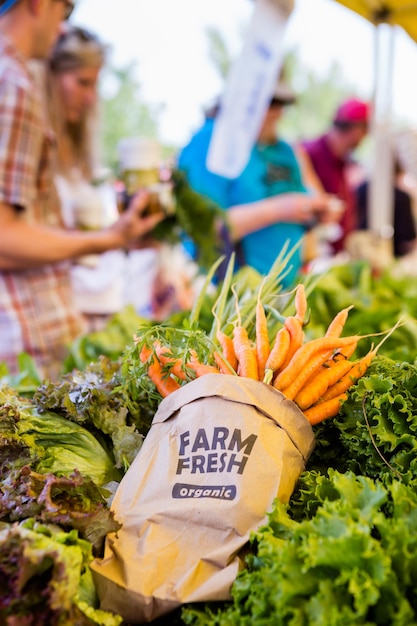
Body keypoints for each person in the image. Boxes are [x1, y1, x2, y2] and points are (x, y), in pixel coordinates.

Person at [0, 0, 164, 379]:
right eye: (64, 9)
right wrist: (108, 239)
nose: (60, 28)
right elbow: (4, 238)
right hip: (29, 338)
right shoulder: (14, 85)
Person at [178, 78, 342, 285]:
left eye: (282, 104)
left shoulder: (283, 149)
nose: (278, 112)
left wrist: (317, 211)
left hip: (284, 290)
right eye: (270, 102)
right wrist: (279, 209)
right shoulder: (211, 142)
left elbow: (300, 199)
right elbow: (202, 228)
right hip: (232, 297)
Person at [297, 97, 370, 254]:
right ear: (356, 129)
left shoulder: (342, 162)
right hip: (308, 254)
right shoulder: (309, 154)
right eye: (365, 130)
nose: (365, 138)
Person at [354, 156, 417, 258]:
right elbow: (407, 235)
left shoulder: (360, 189)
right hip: (392, 253)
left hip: (359, 250)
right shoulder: (402, 197)